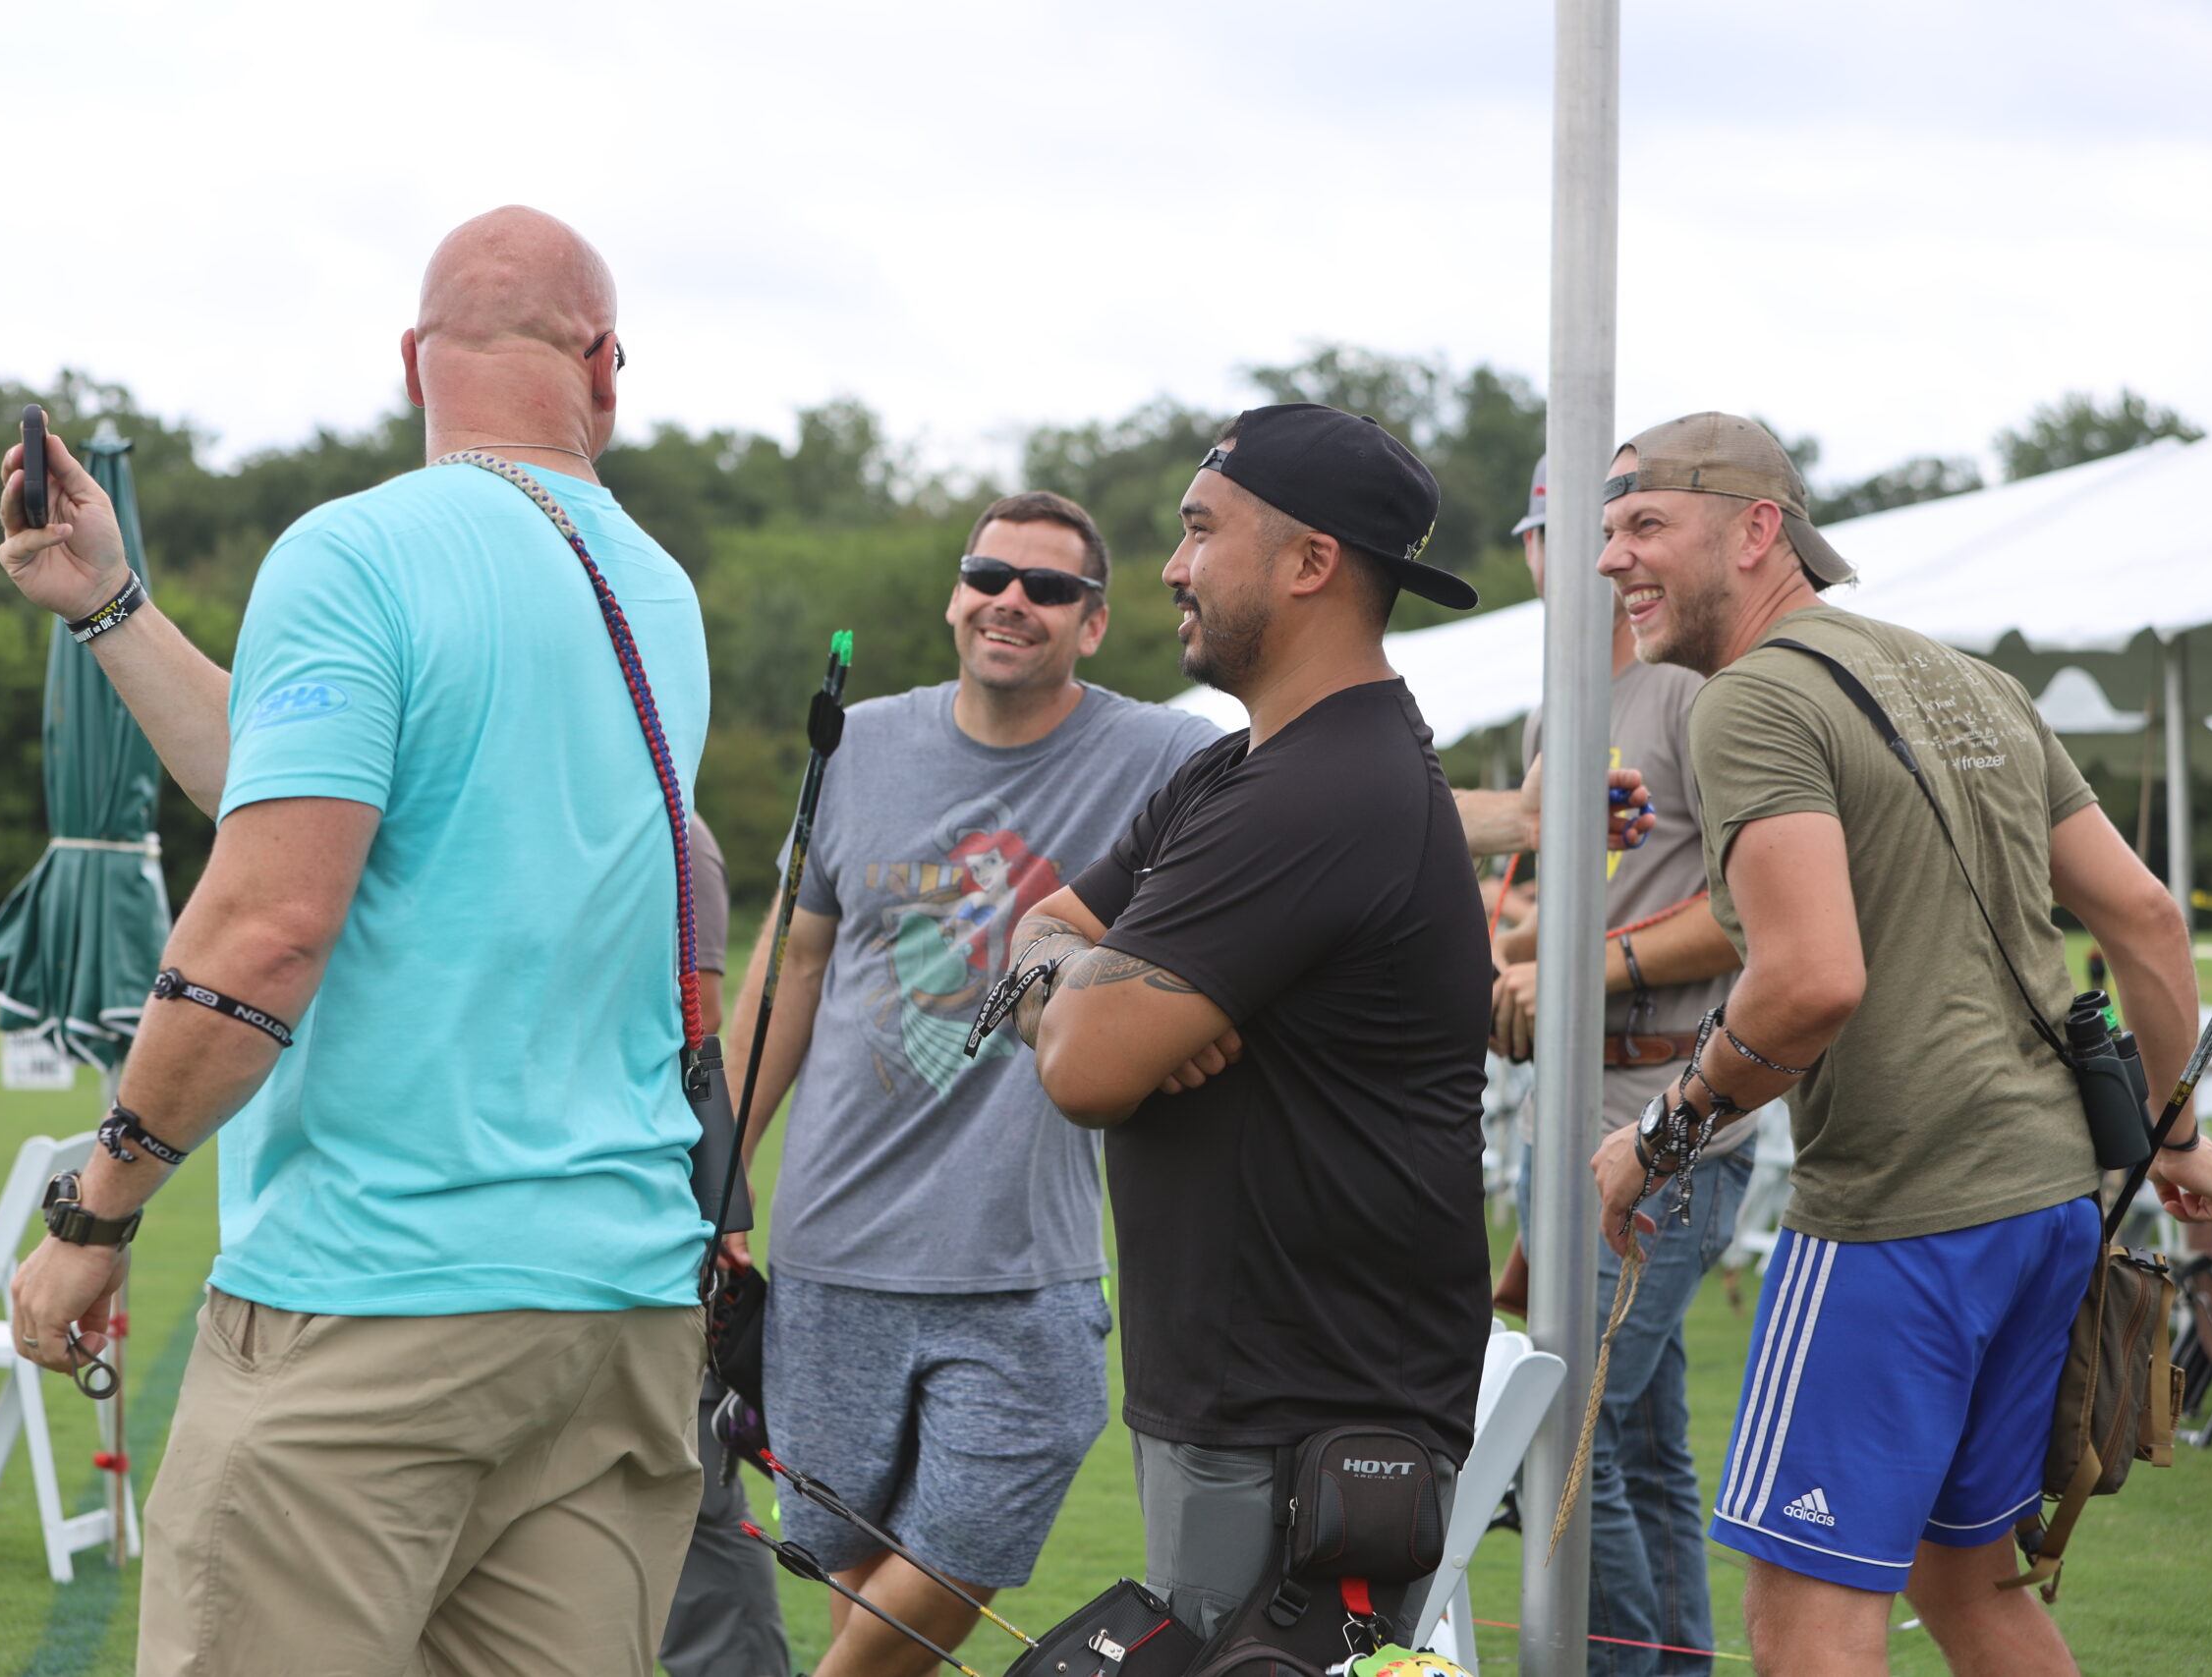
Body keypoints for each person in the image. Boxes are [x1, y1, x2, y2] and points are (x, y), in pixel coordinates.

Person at [0, 205, 713, 1677]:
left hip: (382, 1296)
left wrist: (98, 1207)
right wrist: (112, 607)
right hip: (615, 1309)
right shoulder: (656, 586)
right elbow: (304, 803)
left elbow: (268, 924)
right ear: (605, 368)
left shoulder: (357, 550)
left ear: (409, 363)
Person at [1584, 412, 2212, 1676]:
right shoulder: (1962, 676)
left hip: (1899, 1212)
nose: (1613, 560)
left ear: (1759, 529)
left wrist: (1655, 1139)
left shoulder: (1749, 704)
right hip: (2049, 1200)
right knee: (1967, 1584)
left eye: (1644, 524)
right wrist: (2176, 1133)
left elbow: (1808, 985)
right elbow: (2148, 920)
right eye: (1607, 532)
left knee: (1803, 1619)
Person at [1004, 404, 1496, 1641]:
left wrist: (1084, 998)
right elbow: (1035, 930)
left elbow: (1081, 1064)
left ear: (1308, 561)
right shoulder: (1240, 771)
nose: (1172, 566)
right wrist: (1086, 976)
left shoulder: (1325, 792)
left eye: (1199, 531)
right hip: (1246, 1398)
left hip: (1304, 1419)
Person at [724, 489, 1219, 1677]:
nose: (1012, 601)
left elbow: (1325, 800)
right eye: (988, 574)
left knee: (960, 1557)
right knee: (853, 1577)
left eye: (1048, 588)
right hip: (831, 1249)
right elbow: (792, 958)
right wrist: (720, 1168)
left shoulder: (1164, 753)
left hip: (1022, 1264)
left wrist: (1526, 812)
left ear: (1092, 624)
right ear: (957, 594)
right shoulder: (861, 747)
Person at [1484, 456, 1753, 1677]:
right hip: (1572, 1106)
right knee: (1637, 1444)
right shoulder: (1559, 710)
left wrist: (1579, 968)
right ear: (1534, 550)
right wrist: (1516, 944)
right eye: (1558, 534)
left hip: (1670, 1115)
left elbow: (1751, 912)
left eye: (1620, 533)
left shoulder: (1697, 696)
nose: (1590, 561)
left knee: (1564, 1445)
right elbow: (1601, 897)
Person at [661, 811, 792, 1677]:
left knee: (691, 1502)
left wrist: (718, 1210)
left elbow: (691, 1042)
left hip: (644, 1251)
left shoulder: (679, 833)